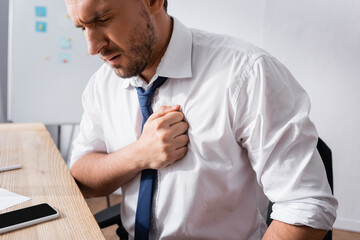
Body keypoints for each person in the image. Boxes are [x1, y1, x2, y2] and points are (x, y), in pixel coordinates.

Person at [65, 0, 338, 239]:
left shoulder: (246, 73)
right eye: (82, 28)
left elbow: (307, 206)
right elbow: (82, 178)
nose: (92, 47)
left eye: (103, 19)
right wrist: (138, 155)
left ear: (152, 1)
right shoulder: (102, 85)